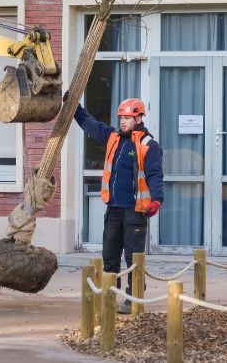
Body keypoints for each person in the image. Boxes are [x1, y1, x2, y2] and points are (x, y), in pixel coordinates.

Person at [72, 96, 164, 314]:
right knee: (110, 256)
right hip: (113, 209)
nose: (123, 122)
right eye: (121, 117)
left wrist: (157, 199)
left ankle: (134, 299)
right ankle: (109, 296)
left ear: (139, 118)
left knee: (133, 257)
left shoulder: (148, 145)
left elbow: (154, 175)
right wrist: (74, 107)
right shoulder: (113, 137)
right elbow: (91, 125)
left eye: (128, 118)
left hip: (135, 211)